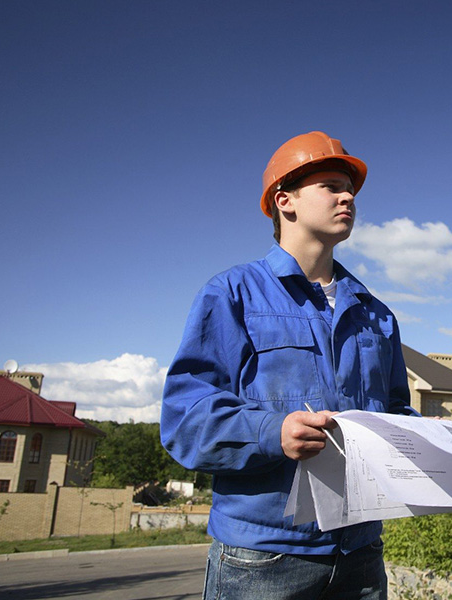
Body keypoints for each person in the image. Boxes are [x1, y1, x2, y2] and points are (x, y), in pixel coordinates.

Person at [160, 131, 417, 599]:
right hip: (262, 559)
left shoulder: (376, 314)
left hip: (360, 555)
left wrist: (432, 441)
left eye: (351, 190)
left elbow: (394, 414)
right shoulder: (233, 294)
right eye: (332, 185)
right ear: (285, 200)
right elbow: (185, 421)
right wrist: (272, 433)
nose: (348, 197)